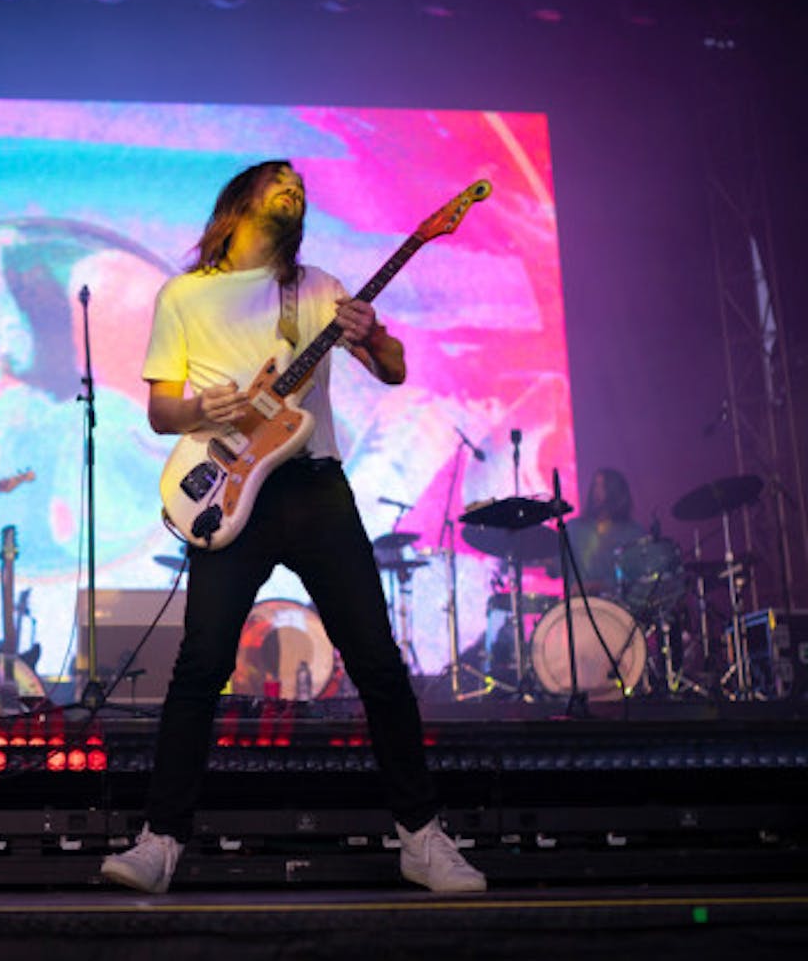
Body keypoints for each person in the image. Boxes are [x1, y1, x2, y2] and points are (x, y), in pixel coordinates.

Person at [100, 161, 485, 894]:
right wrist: (202, 413)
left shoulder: (318, 288)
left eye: (301, 187)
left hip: (313, 486)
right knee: (201, 667)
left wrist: (370, 339)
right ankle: (160, 841)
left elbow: (395, 369)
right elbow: (160, 412)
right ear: (241, 200)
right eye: (279, 179)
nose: (294, 187)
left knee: (375, 660)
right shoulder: (184, 295)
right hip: (232, 492)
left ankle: (422, 838)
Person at [556, 467, 647, 598]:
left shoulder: (633, 532)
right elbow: (561, 566)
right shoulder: (573, 528)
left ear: (616, 492)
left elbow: (636, 575)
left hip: (617, 609)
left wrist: (597, 585)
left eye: (603, 486)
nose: (596, 492)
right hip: (578, 607)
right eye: (595, 485)